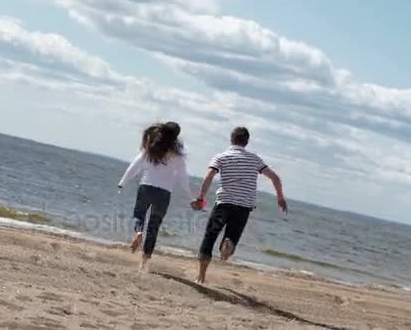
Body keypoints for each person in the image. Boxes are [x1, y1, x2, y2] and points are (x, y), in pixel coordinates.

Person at [191, 127, 287, 284]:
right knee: (232, 236)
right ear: (247, 142)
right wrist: (280, 197)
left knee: (210, 236)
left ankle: (201, 276)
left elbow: (209, 176)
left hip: (224, 204)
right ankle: (228, 244)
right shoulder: (255, 159)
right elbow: (275, 177)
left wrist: (200, 197)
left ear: (231, 139)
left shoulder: (221, 157)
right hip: (244, 207)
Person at [119, 121, 193, 273]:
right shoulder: (177, 155)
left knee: (139, 215)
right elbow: (183, 179)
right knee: (154, 227)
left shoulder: (150, 148)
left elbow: (134, 166)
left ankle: (138, 232)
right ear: (176, 136)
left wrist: (122, 182)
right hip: (164, 193)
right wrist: (191, 196)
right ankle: (144, 263)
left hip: (146, 187)